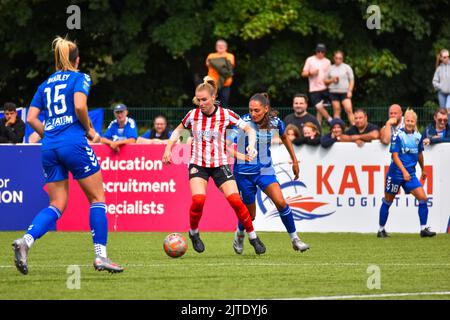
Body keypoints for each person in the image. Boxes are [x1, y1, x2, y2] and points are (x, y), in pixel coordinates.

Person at [12, 36, 123, 275]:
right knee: (97, 199)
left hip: (49, 148)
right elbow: (80, 106)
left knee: (57, 204)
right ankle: (101, 256)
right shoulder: (80, 77)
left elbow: (31, 118)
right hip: (73, 144)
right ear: (78, 59)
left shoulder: (46, 84)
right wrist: (90, 130)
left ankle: (26, 241)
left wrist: (49, 134)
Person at [162, 76, 266, 255]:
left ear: (213, 98)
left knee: (235, 201)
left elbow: (249, 129)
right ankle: (194, 233)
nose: (200, 103)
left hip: (219, 164)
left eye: (204, 99)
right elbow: (179, 131)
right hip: (198, 164)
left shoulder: (226, 114)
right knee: (198, 200)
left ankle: (253, 237)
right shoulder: (192, 115)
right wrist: (168, 148)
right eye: (198, 100)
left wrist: (250, 144)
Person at [226, 93, 309, 254]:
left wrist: (295, 161)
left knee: (281, 202)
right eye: (251, 110)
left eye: (256, 110)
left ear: (266, 109)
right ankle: (239, 234)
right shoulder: (242, 124)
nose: (253, 114)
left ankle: (295, 239)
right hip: (244, 173)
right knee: (251, 215)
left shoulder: (275, 123)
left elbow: (285, 137)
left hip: (265, 171)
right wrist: (241, 156)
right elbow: (226, 146)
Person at [377, 109, 436, 238]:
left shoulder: (418, 137)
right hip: (395, 174)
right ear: (405, 121)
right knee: (388, 201)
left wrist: (423, 169)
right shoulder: (397, 135)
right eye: (407, 120)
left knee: (423, 199)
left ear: (415, 122)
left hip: (410, 174)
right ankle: (381, 230)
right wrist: (403, 171)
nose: (409, 123)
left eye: (412, 121)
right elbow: (395, 156)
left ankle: (423, 229)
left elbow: (419, 154)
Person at [301, 44, 332, 125]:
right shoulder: (310, 60)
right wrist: (311, 73)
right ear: (316, 51)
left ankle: (318, 128)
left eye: (322, 52)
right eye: (318, 51)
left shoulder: (328, 61)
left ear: (325, 53)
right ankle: (331, 120)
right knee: (319, 106)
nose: (320, 53)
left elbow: (330, 75)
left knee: (319, 111)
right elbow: (303, 73)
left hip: (325, 88)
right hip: (314, 88)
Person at [324, 51, 355, 125]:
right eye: (336, 58)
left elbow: (352, 80)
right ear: (334, 58)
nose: (338, 60)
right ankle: (336, 128)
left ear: (342, 59)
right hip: (334, 92)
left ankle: (354, 127)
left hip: (344, 91)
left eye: (340, 58)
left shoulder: (347, 67)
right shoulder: (330, 68)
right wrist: (332, 80)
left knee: (349, 109)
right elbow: (325, 81)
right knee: (337, 110)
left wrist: (350, 91)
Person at [206, 39, 235, 107]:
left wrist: (214, 62)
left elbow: (228, 68)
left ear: (226, 47)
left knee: (225, 103)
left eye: (222, 45)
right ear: (216, 47)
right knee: (211, 103)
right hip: (212, 84)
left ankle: (224, 117)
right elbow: (222, 65)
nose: (220, 47)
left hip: (225, 84)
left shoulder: (230, 55)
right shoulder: (211, 55)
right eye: (218, 45)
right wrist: (222, 62)